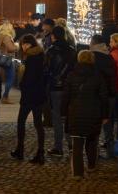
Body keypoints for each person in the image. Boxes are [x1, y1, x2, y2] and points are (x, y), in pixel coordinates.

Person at [66, 50, 108, 180]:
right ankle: (91, 165)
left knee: (77, 144)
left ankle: (78, 173)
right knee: (92, 140)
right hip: (93, 112)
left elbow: (66, 96)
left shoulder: (71, 75)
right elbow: (103, 97)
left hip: (76, 113)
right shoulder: (98, 76)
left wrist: (63, 113)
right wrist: (105, 115)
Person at [10, 34, 46, 164]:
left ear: (31, 44)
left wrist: (22, 86)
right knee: (38, 124)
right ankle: (40, 152)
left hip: (29, 95)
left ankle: (20, 150)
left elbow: (28, 78)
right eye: (22, 45)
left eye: (25, 44)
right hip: (39, 95)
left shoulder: (30, 58)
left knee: (21, 122)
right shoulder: (41, 55)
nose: (23, 47)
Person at [45, 26, 76, 156]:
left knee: (57, 117)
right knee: (68, 116)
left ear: (54, 36)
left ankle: (58, 147)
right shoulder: (71, 50)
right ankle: (71, 144)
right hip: (69, 87)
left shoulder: (51, 51)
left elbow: (46, 69)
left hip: (55, 87)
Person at [90, 34, 117, 158]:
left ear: (94, 43)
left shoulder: (93, 57)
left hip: (96, 94)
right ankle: (110, 150)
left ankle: (94, 153)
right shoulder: (109, 56)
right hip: (110, 94)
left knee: (95, 123)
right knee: (108, 123)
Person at [0, 20, 18, 104]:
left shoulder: (0, 36)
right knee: (10, 78)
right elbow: (10, 48)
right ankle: (5, 97)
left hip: (2, 58)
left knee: (3, 78)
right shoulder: (7, 37)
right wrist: (17, 46)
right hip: (8, 59)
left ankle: (2, 96)